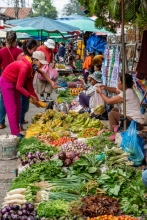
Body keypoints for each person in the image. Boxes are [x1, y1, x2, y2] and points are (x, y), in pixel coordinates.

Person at [0, 51, 55, 138]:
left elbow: (30, 86)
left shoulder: (32, 69)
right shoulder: (25, 67)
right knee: (12, 109)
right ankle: (15, 134)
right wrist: (31, 96)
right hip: (7, 82)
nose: (42, 66)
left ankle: (17, 130)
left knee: (18, 108)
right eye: (41, 63)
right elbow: (19, 86)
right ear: (35, 60)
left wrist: (37, 100)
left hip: (15, 83)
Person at [0, 31, 22, 129]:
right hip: (16, 79)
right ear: (15, 39)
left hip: (4, 79)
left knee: (3, 101)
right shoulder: (19, 52)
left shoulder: (1, 51)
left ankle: (1, 122)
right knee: (17, 102)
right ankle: (18, 124)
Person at [17, 39, 38, 132]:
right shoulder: (24, 59)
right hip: (21, 84)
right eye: (34, 49)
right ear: (29, 48)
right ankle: (19, 126)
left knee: (25, 105)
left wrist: (35, 96)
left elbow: (30, 80)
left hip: (25, 84)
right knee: (23, 105)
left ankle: (20, 123)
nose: (35, 51)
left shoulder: (29, 58)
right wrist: (31, 95)